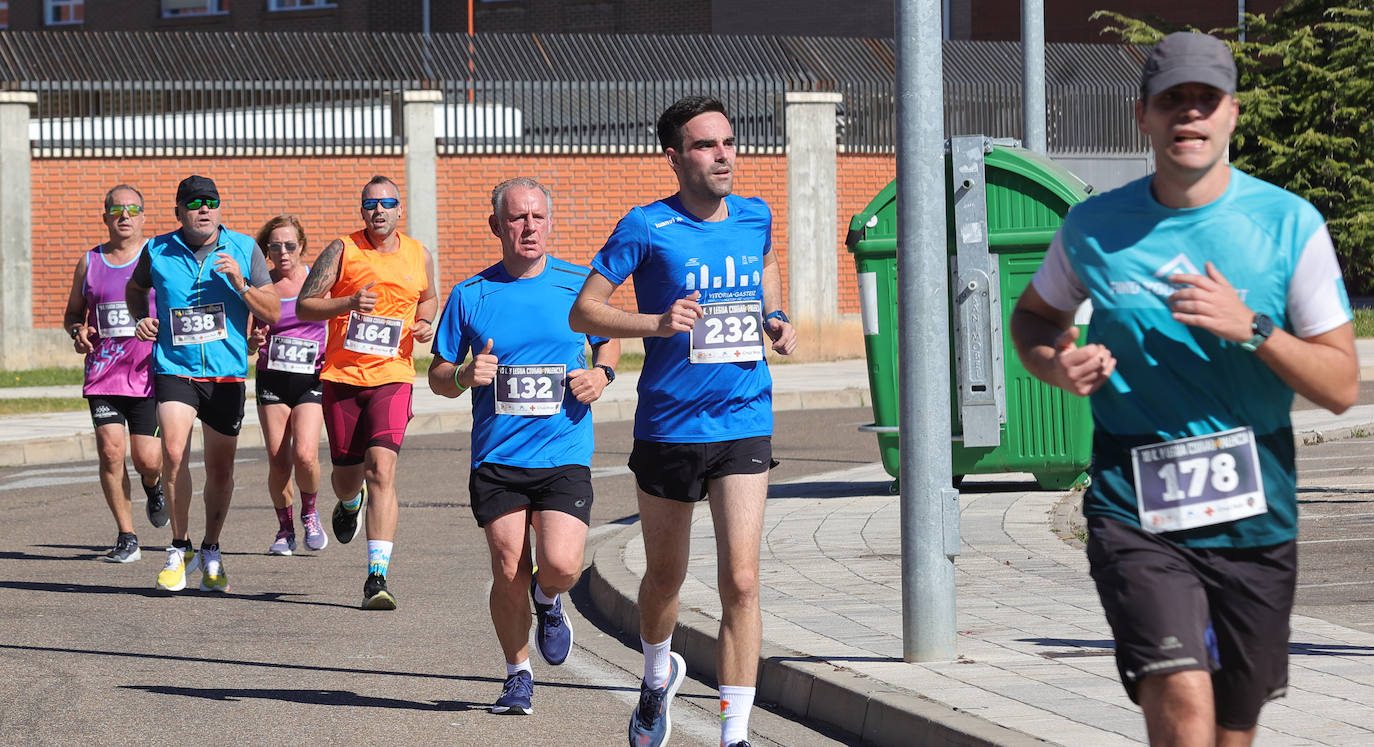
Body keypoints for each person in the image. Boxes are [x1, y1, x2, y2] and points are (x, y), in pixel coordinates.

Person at [1008, 32, 1358, 747]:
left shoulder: (1288, 224)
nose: (1189, 117)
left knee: (1233, 728)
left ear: (1232, 113)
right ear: (1144, 117)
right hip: (1134, 507)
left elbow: (1342, 385)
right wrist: (1053, 363)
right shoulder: (1095, 227)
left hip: (1257, 511)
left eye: (1206, 100)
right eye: (1173, 101)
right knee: (1183, 705)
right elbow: (1034, 317)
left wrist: (1254, 326)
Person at [569, 96, 798, 747]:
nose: (723, 154)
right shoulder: (645, 227)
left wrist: (774, 315)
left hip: (744, 417)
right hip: (670, 426)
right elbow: (585, 312)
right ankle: (653, 675)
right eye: (705, 145)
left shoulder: (755, 216)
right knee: (664, 576)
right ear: (674, 155)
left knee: (742, 578)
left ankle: (735, 733)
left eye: (728, 141)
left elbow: (768, 262)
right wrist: (655, 324)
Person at [429, 177, 620, 715]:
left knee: (560, 565)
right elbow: (438, 374)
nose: (529, 226)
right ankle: (517, 674)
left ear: (550, 222)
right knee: (508, 564)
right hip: (498, 456)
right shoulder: (471, 294)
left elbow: (608, 339)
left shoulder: (579, 283)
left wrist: (602, 374)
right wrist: (465, 374)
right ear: (498, 226)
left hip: (562, 450)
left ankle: (549, 598)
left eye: (538, 217)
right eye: (517, 218)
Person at [127, 174, 281, 593]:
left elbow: (272, 312)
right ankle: (179, 547)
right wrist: (142, 317)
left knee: (220, 468)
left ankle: (211, 549)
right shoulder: (156, 249)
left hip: (226, 373)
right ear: (179, 211)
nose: (204, 209)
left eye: (210, 201)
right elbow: (136, 289)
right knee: (173, 453)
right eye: (194, 203)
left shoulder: (245, 248)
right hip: (174, 368)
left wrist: (241, 284)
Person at [297, 175, 438, 610]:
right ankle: (348, 501)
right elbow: (305, 304)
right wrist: (346, 304)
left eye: (388, 202)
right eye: (370, 204)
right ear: (362, 211)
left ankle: (377, 575)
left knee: (382, 468)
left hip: (393, 374)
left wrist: (426, 322)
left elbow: (429, 298)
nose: (379, 210)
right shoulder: (343, 250)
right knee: (347, 476)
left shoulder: (419, 254)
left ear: (400, 210)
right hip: (342, 378)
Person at [63, 184, 166, 564]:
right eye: (117, 210)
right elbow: (73, 314)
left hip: (149, 374)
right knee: (110, 453)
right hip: (103, 376)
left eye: (132, 209)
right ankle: (127, 536)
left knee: (148, 460)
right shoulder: (90, 262)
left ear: (143, 216)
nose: (125, 216)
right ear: (105, 216)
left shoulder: (158, 257)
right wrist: (78, 331)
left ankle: (153, 487)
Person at [247, 215, 328, 556]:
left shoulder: (317, 281)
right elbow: (249, 343)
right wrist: (253, 339)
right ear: (267, 250)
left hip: (311, 379)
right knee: (279, 461)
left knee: (306, 455)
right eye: (275, 246)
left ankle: (310, 512)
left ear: (301, 247)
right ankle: (285, 530)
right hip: (272, 380)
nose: (283, 252)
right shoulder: (262, 287)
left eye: (290, 245)